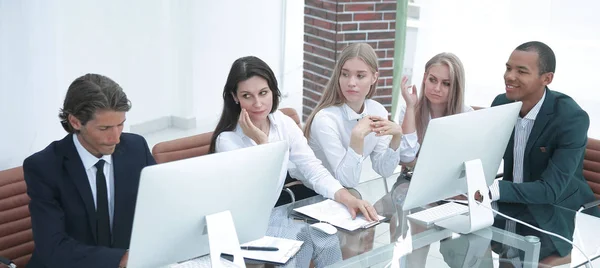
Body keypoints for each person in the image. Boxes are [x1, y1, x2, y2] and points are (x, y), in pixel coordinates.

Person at [208, 56, 378, 220]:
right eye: (247, 95)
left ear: (273, 91)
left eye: (263, 93)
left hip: (277, 216)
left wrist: (350, 200)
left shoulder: (283, 123)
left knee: (331, 240)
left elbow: (313, 170)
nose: (258, 103)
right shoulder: (227, 141)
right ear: (234, 97)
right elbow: (256, 197)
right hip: (247, 222)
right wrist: (262, 144)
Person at [23, 74, 156, 268]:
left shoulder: (136, 148)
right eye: (105, 128)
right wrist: (119, 259)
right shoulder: (44, 168)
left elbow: (159, 207)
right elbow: (52, 248)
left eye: (120, 124)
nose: (116, 138)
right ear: (76, 122)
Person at [489, 41, 599, 262]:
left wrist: (493, 189)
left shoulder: (570, 118)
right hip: (509, 209)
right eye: (508, 68)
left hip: (554, 214)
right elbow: (485, 156)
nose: (509, 76)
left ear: (547, 78)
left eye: (521, 71)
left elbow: (550, 190)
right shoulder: (502, 104)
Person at [303, 43, 407, 189]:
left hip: (339, 194)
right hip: (307, 194)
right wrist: (357, 136)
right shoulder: (325, 120)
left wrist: (397, 137)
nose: (351, 83)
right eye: (345, 74)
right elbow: (346, 181)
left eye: (360, 76)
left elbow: (384, 170)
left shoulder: (378, 111)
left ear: (374, 77)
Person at [397, 52, 473, 166]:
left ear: (455, 86)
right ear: (425, 78)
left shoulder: (466, 115)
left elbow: (465, 162)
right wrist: (410, 107)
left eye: (446, 84)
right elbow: (405, 157)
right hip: (412, 179)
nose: (437, 88)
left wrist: (416, 163)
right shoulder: (408, 110)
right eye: (432, 80)